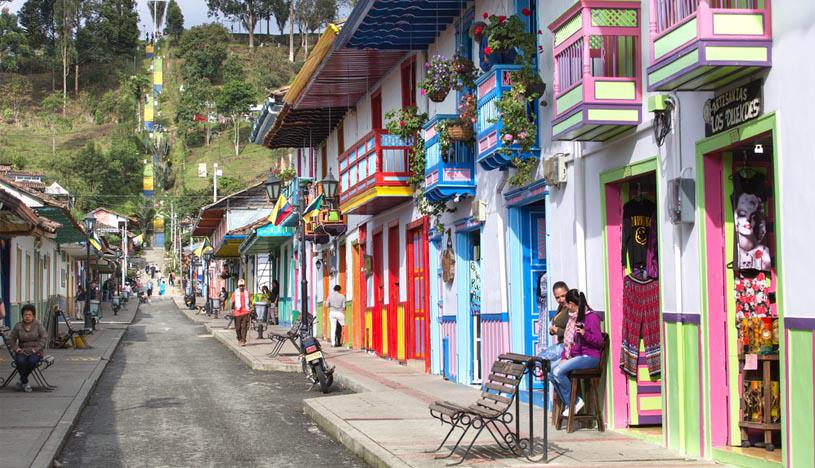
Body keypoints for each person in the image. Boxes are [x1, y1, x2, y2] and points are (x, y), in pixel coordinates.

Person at [549, 289, 603, 417]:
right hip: (577, 355)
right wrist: (564, 357)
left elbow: (599, 343)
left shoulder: (591, 317)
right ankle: (570, 403)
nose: (566, 307)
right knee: (551, 371)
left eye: (567, 305)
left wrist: (585, 335)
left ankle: (575, 402)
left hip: (590, 357)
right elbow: (570, 343)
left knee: (558, 371)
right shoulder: (574, 318)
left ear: (572, 304)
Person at [8, 304, 47, 392]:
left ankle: (22, 380)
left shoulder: (38, 324)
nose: (27, 317)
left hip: (35, 351)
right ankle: (25, 382)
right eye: (25, 315)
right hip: (23, 351)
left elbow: (44, 337)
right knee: (20, 361)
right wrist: (16, 348)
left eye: (30, 315)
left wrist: (36, 349)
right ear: (22, 316)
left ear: (33, 316)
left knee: (32, 361)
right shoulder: (18, 326)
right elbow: (11, 338)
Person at [538, 281, 570, 364]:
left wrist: (558, 331)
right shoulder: (561, 307)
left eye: (563, 296)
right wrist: (552, 331)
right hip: (560, 344)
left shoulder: (571, 308)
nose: (561, 299)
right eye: (557, 297)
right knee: (544, 365)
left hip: (567, 346)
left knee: (539, 361)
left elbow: (573, 332)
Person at [230, 279, 253, 346]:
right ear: (238, 286)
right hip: (237, 313)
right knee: (238, 327)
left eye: (242, 286)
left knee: (244, 327)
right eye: (240, 286)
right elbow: (232, 302)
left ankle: (243, 340)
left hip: (246, 312)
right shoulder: (235, 293)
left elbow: (250, 301)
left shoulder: (247, 293)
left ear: (244, 286)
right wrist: (231, 309)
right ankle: (239, 338)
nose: (241, 287)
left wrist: (251, 307)